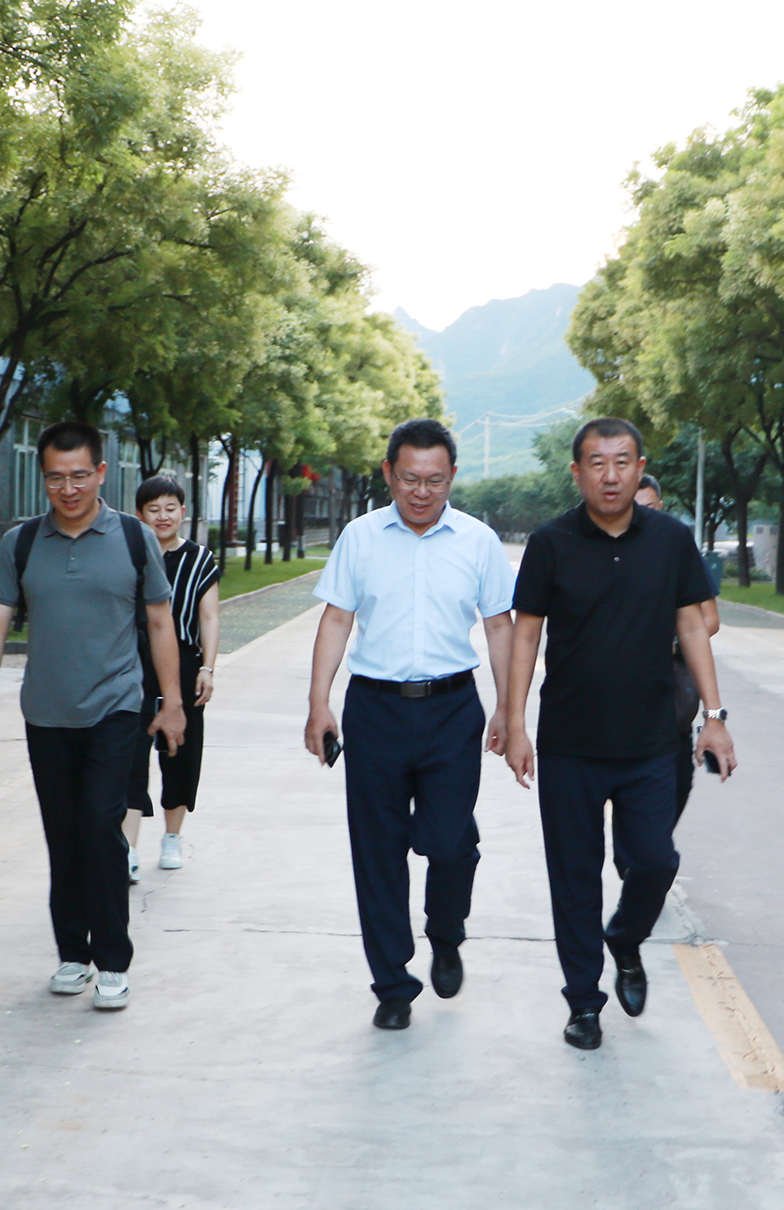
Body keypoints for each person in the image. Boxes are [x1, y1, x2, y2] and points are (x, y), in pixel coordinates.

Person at [505, 416, 735, 1051]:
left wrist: (715, 719)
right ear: (577, 472)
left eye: (622, 461)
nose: (610, 475)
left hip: (651, 744)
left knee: (655, 860)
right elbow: (526, 635)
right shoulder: (550, 543)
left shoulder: (671, 540)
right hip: (569, 744)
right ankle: (583, 1003)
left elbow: (693, 626)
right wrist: (516, 722)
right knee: (574, 879)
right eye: (597, 463)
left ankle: (626, 938)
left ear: (639, 469)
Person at [303, 418, 516, 1031]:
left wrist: (508, 708)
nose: (422, 492)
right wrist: (320, 703)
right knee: (377, 849)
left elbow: (499, 626)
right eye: (409, 479)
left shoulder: (478, 541)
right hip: (375, 710)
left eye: (435, 480)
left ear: (452, 476)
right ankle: (393, 984)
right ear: (388, 474)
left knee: (449, 842)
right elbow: (337, 619)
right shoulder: (360, 537)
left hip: (452, 709)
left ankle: (446, 932)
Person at [0, 421, 185, 1013]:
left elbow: (160, 622)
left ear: (102, 473)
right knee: (62, 834)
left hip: (116, 706)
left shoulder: (134, 538)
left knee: (99, 823)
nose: (68, 489)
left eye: (80, 476)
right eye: (56, 478)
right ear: (43, 478)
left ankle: (112, 960)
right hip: (46, 712)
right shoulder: (21, 543)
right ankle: (72, 953)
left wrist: (171, 703)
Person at [122, 475, 221, 877]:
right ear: (139, 514)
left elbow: (209, 617)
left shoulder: (200, 559)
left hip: (184, 664)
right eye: (153, 509)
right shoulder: (128, 555)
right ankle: (127, 849)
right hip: (132, 664)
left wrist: (207, 668)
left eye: (169, 508)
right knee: (129, 754)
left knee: (180, 754)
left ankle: (172, 837)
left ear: (182, 511)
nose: (162, 516)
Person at [622, 472, 719, 865]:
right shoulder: (601, 550)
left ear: (661, 507)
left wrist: (671, 641)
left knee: (675, 793)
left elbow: (708, 619)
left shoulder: (676, 547)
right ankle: (635, 862)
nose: (642, 515)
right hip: (617, 708)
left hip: (670, 705)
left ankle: (643, 865)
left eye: (650, 507)